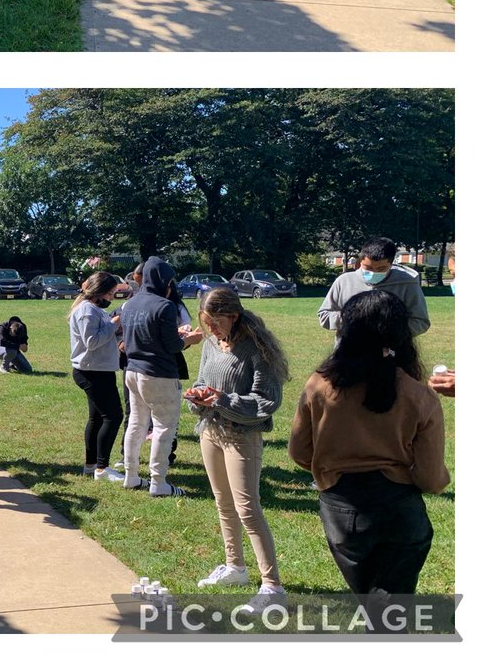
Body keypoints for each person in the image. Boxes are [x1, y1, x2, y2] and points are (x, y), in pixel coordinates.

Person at [289, 291, 450, 597]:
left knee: (372, 603)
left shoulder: (319, 385)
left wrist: (331, 468)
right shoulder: (418, 394)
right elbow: (430, 476)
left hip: (341, 509)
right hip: (400, 511)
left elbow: (300, 452)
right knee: (391, 608)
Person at [184, 288, 291, 615]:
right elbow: (204, 378)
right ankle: (235, 567)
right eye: (206, 322)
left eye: (216, 322)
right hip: (210, 431)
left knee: (247, 508)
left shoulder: (257, 349)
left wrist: (221, 400)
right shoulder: (212, 344)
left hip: (242, 436)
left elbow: (266, 403)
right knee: (223, 502)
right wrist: (199, 396)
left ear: (234, 315)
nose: (212, 330)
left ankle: (272, 586)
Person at [119, 256, 203, 497]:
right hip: (159, 374)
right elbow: (172, 346)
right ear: (163, 280)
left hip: (133, 371)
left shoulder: (131, 304)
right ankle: (158, 483)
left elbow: (144, 334)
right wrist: (191, 339)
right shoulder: (164, 305)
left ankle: (131, 476)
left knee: (136, 423)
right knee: (164, 427)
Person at [69, 272, 125, 481]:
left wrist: (112, 323)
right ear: (99, 291)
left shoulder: (92, 309)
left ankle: (91, 465)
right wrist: (114, 323)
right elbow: (91, 341)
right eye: (110, 293)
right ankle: (102, 468)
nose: (112, 297)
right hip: (92, 371)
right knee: (113, 416)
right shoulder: (86, 311)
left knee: (96, 418)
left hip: (99, 369)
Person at [319, 237, 430, 338]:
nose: (373, 272)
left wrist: (390, 334)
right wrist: (352, 319)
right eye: (367, 267)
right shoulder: (344, 281)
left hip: (393, 353)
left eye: (381, 269)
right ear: (360, 261)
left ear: (391, 264)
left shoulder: (407, 283)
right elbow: (324, 315)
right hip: (349, 353)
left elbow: (420, 321)